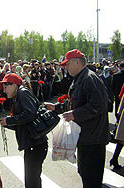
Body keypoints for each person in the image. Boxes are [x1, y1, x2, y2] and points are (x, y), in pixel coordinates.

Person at [45, 49, 109, 188]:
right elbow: (75, 103)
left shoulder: (89, 78)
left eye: (67, 64)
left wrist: (75, 114)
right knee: (85, 174)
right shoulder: (81, 78)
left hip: (93, 138)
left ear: (77, 62)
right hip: (86, 136)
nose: (65, 68)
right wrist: (56, 107)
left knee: (91, 178)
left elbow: (100, 104)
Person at [0, 73, 48, 188]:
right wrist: (1, 121)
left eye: (6, 87)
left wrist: (8, 120)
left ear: (14, 85)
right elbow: (19, 123)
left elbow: (30, 114)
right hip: (32, 143)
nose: (4, 91)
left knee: (32, 180)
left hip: (36, 143)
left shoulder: (22, 93)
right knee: (31, 179)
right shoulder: (18, 95)